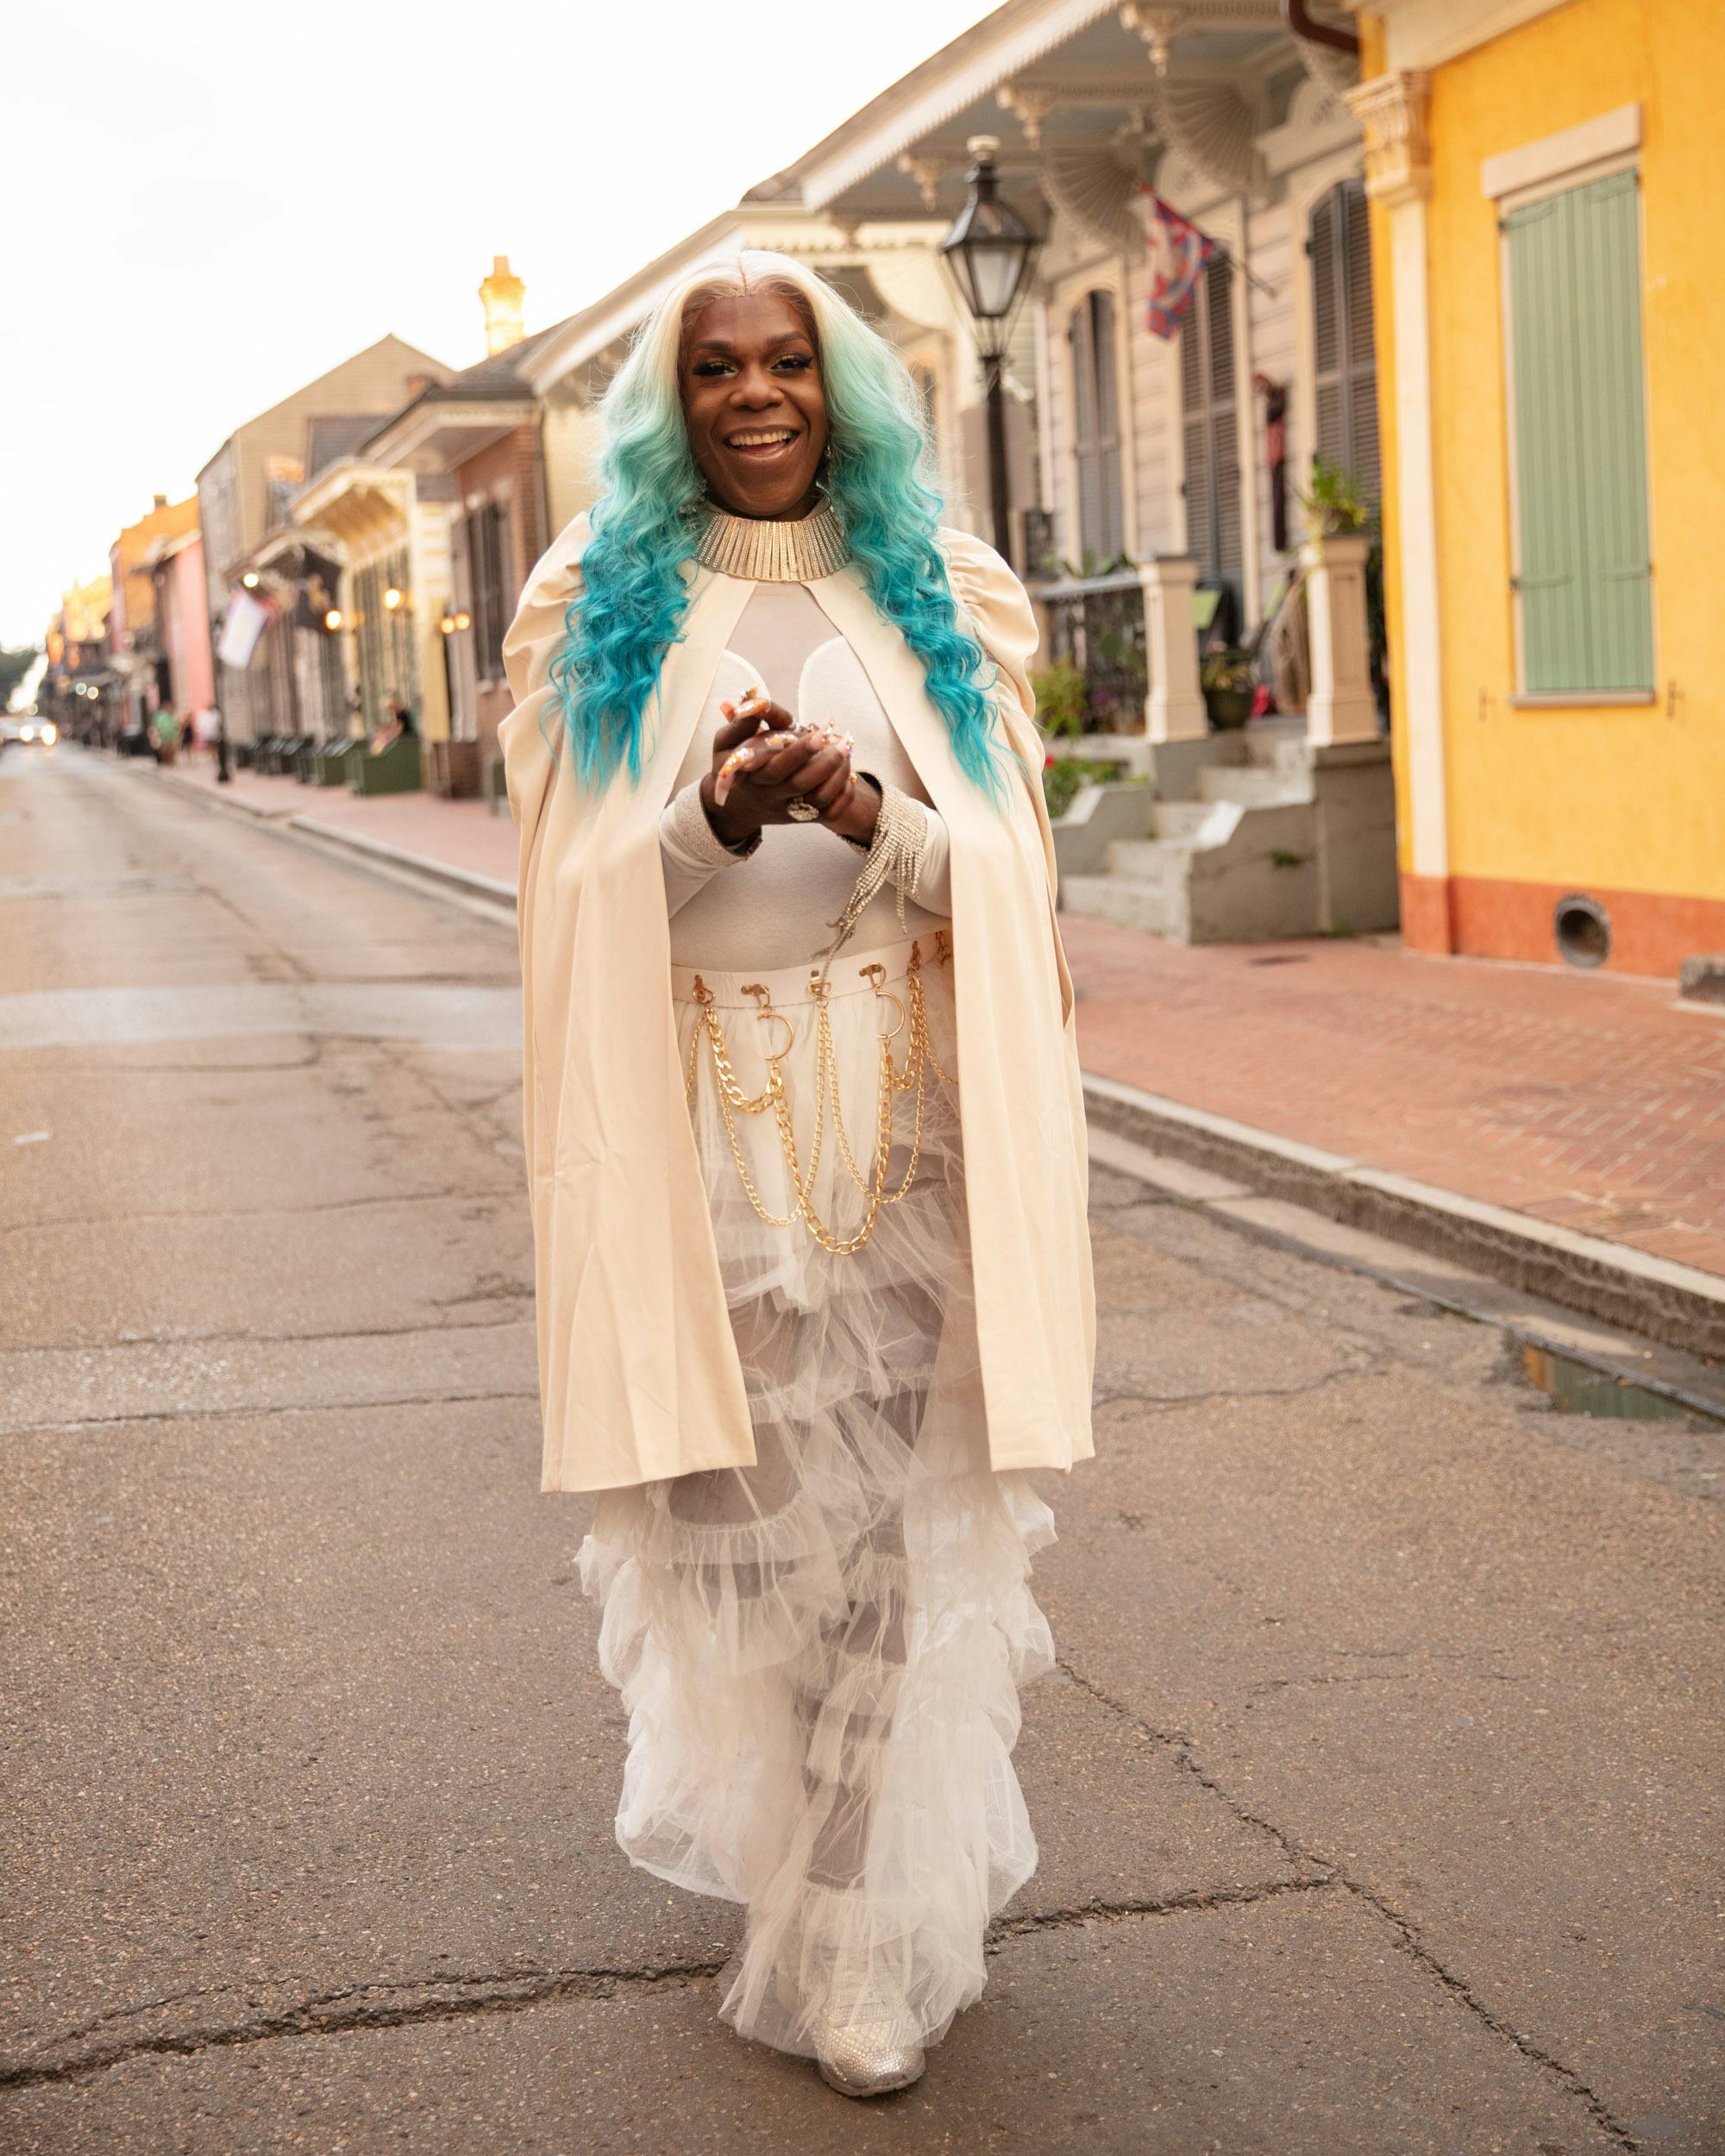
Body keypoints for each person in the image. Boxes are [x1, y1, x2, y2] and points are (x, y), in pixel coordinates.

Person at [499, 252, 1095, 2101]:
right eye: (714, 370)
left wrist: (865, 816)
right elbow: (566, 903)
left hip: (900, 1123)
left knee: (887, 1558)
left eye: (787, 362)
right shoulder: (588, 607)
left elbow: (1008, 881)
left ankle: (850, 1935)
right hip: (701, 1138)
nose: (756, 394)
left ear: (839, 386)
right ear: (668, 406)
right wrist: (714, 813)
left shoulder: (945, 595)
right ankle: (800, 1860)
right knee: (747, 1546)